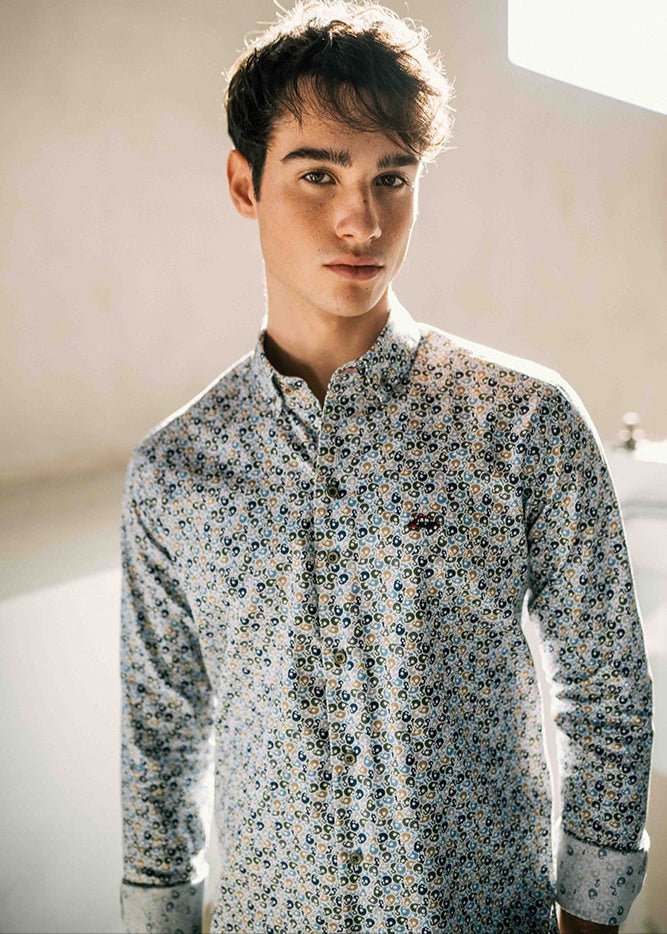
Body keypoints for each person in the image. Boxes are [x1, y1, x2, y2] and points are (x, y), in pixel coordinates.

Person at [118, 2, 653, 932]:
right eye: (317, 173)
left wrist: (593, 914)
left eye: (390, 178)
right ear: (244, 184)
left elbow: (604, 680)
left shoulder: (521, 419)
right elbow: (159, 738)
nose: (359, 217)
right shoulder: (176, 470)